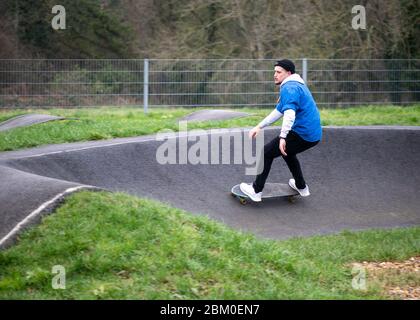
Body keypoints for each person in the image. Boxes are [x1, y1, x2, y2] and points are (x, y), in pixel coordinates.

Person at [240, 59, 322, 202]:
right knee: (287, 152)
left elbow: (289, 114)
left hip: (302, 133)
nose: (275, 75)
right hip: (313, 135)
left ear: (288, 73)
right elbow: (279, 111)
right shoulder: (296, 85)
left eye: (279, 72)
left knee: (265, 153)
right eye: (274, 72)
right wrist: (259, 126)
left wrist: (283, 137)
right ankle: (301, 187)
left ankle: (256, 190)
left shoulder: (289, 88)